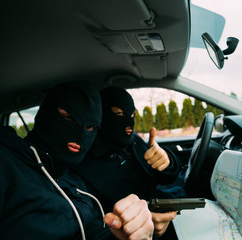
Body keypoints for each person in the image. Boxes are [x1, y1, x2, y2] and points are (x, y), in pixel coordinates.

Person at [0, 81, 153, 240]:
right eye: (68, 118)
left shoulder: (76, 184)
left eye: (91, 128)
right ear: (45, 115)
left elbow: (93, 232)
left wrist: (128, 233)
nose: (80, 134)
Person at [69, 86, 181, 238]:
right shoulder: (84, 163)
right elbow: (95, 224)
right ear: (101, 116)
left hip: (167, 208)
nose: (129, 121)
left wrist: (167, 161)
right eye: (119, 113)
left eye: (133, 114)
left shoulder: (134, 141)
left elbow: (166, 177)